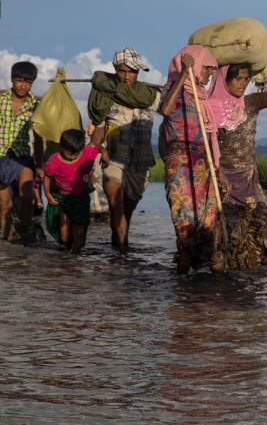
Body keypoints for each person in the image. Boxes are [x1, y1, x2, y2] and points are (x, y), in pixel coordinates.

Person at [211, 42, 267, 269]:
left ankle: (264, 292)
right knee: (235, 240)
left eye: (246, 78)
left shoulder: (252, 102)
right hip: (224, 183)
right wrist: (219, 174)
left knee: (266, 233)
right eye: (238, 78)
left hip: (250, 183)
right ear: (224, 77)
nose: (243, 83)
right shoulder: (210, 107)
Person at [158, 46, 226, 274]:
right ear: (196, 66)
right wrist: (184, 76)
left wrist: (218, 171)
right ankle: (182, 292)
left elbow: (209, 137)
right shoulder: (172, 90)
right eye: (207, 69)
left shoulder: (202, 97)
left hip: (203, 166)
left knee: (211, 230)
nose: (210, 75)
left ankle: (216, 292)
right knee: (186, 230)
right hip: (180, 167)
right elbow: (166, 111)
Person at [88, 47, 161, 252]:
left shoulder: (150, 96)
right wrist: (91, 157)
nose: (128, 76)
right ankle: (120, 256)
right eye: (123, 71)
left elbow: (171, 110)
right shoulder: (106, 96)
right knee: (116, 206)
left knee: (126, 213)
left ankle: (120, 249)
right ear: (114, 69)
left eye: (133, 71)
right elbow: (99, 131)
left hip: (141, 162)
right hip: (114, 160)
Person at [42, 129, 107, 252]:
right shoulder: (54, 161)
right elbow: (47, 176)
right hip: (63, 199)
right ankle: (68, 259)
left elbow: (97, 146)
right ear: (61, 147)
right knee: (65, 236)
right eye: (69, 154)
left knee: (79, 232)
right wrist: (47, 194)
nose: (72, 158)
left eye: (76, 154)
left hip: (81, 198)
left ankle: (76, 259)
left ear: (82, 148)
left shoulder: (88, 152)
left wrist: (104, 152)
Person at [0, 61, 43, 242]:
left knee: (27, 198)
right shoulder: (2, 100)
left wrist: (40, 164)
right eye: (19, 81)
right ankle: (6, 238)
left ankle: (25, 236)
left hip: (22, 156)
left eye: (28, 82)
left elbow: (40, 136)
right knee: (4, 204)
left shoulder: (36, 105)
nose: (23, 86)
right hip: (1, 156)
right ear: (12, 79)